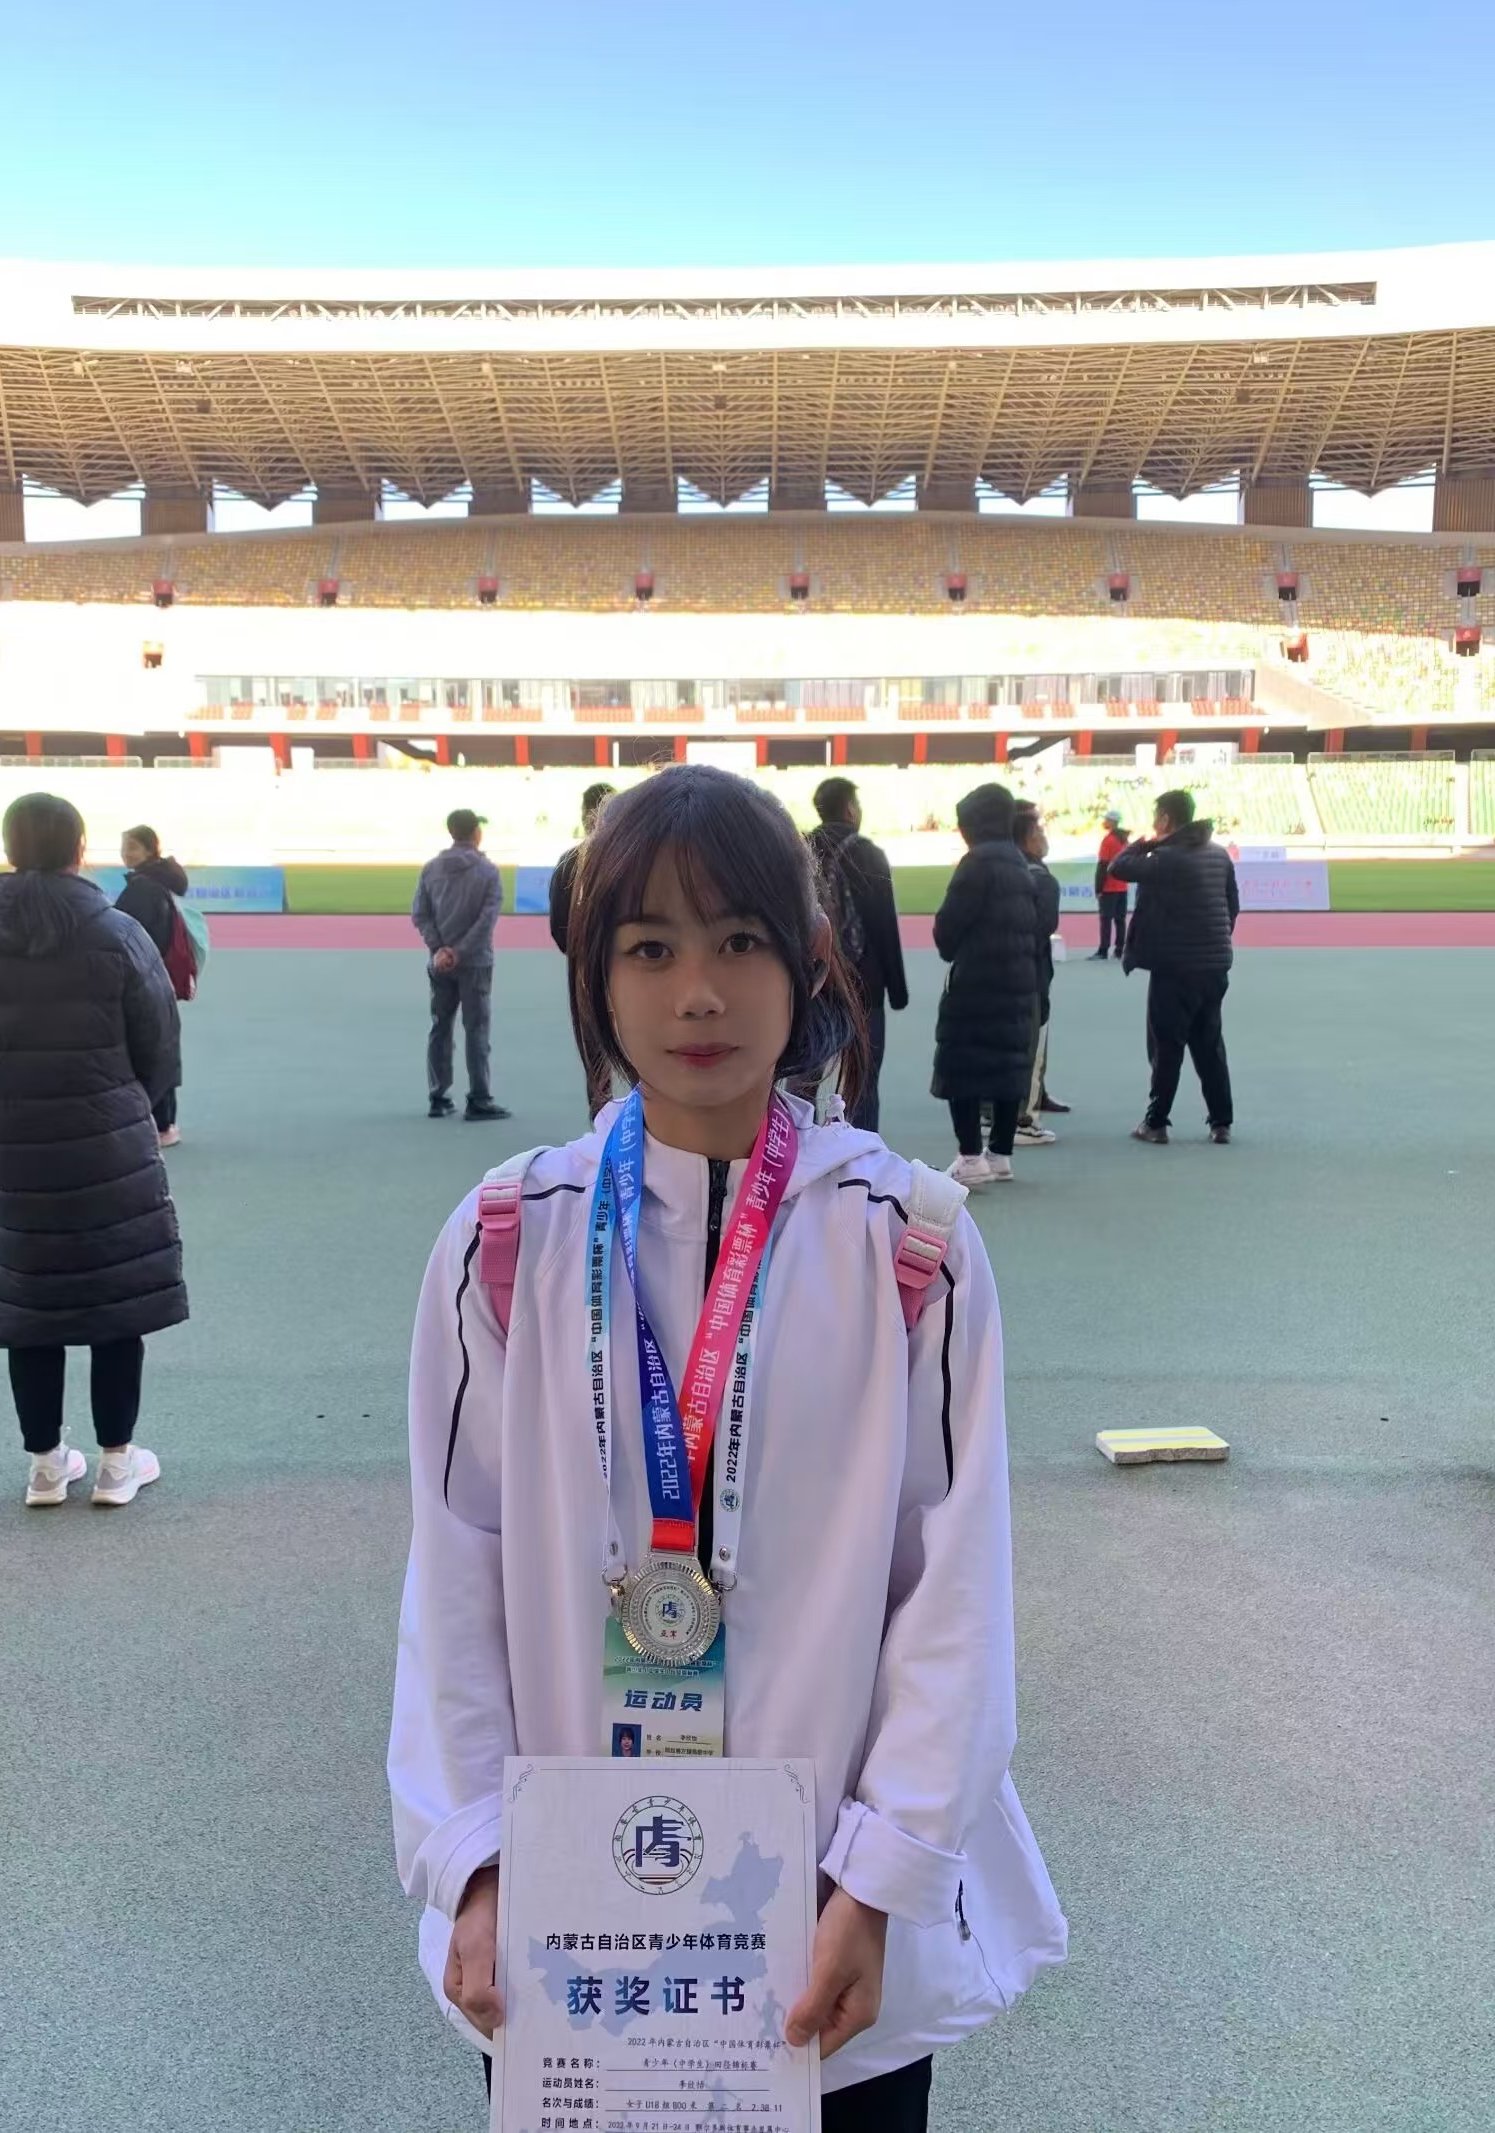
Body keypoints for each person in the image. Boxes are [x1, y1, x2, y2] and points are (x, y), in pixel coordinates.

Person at [389, 766, 1064, 2133]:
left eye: (739, 941)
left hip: (826, 1930)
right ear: (596, 976)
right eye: (650, 949)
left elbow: (953, 1591)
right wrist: (475, 1864)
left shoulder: (910, 1242)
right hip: (569, 1942)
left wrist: (881, 1879)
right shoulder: (505, 1238)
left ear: (806, 959)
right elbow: (456, 1569)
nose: (698, 994)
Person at [0, 794, 186, 1507]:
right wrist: (121, 1100)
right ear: (79, 849)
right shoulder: (115, 930)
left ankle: (46, 1465)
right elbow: (159, 1041)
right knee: (115, 1299)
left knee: (32, 1302)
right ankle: (116, 1461)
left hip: (12, 1141)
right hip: (107, 1140)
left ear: (9, 847)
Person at [1106, 789, 1238, 1146]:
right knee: (1209, 1044)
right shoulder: (1218, 854)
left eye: (1156, 817)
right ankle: (1221, 1122)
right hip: (1214, 964)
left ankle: (1156, 1121)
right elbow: (1232, 905)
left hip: (1175, 966)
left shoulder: (1166, 857)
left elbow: (1118, 867)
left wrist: (1145, 842)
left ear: (1165, 819)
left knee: (1166, 1046)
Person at [930, 784, 1040, 1186]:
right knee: (1009, 1063)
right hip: (1018, 981)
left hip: (976, 984)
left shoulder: (976, 864)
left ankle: (970, 1154)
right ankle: (1000, 1153)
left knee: (962, 1064)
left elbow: (948, 931)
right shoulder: (1018, 863)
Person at [806, 776, 908, 1132]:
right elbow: (883, 925)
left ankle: (799, 1143)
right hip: (863, 979)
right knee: (862, 1077)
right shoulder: (867, 853)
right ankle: (861, 1151)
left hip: (812, 977)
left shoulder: (801, 850)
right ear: (850, 809)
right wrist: (897, 989)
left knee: (804, 1073)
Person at [413, 808, 510, 1122]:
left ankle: (438, 1096)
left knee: (440, 1027)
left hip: (440, 962)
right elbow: (486, 920)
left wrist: (440, 949)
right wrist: (461, 951)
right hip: (475, 961)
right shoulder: (488, 872)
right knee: (476, 1029)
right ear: (476, 833)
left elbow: (420, 914)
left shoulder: (431, 869)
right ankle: (479, 1097)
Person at [113, 824, 188, 1146]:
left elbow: (124, 933)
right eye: (124, 847)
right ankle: (163, 1122)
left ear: (149, 849)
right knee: (159, 1045)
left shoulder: (143, 888)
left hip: (143, 977)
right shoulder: (156, 882)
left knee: (146, 1048)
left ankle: (159, 1123)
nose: (126, 853)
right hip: (156, 977)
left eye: (132, 847)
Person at [548, 781, 616, 1117]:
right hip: (629, 965)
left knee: (595, 1052)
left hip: (585, 968)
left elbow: (558, 924)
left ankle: (601, 1115)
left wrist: (579, 955)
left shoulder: (570, 861)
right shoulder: (634, 859)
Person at [1011, 804, 1063, 1147]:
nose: (1044, 837)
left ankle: (994, 1113)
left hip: (997, 975)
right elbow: (1044, 928)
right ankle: (1024, 1120)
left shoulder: (994, 872)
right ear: (1029, 838)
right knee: (1031, 1046)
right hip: (1030, 977)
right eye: (1040, 831)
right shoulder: (1041, 880)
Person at [1090, 809, 1130, 962]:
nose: (1104, 821)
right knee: (1120, 920)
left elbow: (1102, 865)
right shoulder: (1124, 841)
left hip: (1109, 887)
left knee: (1106, 919)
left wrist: (1098, 888)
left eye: (1106, 819)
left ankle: (1103, 950)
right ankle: (1119, 949)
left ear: (1112, 822)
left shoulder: (1108, 841)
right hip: (1122, 886)